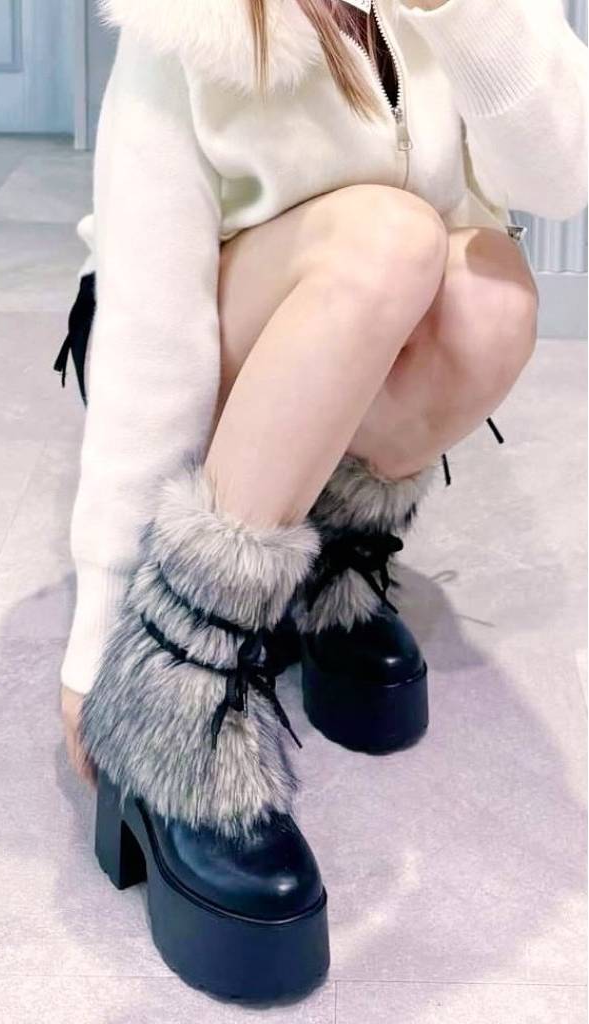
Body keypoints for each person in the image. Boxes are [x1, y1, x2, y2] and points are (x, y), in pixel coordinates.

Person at [57, 0, 587, 1001]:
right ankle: (186, 676)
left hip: (344, 335)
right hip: (181, 335)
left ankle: (328, 558)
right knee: (390, 239)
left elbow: (565, 177)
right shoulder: (185, 24)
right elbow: (149, 330)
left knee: (490, 295)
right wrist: (111, 638)